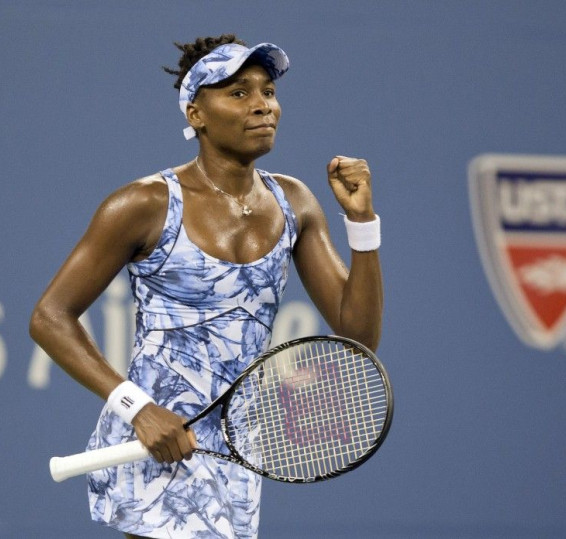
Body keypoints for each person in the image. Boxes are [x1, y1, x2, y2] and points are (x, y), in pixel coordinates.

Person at [29, 33, 383, 539]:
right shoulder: (143, 204)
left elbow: (358, 339)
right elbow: (49, 317)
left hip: (239, 446)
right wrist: (137, 408)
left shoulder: (295, 202)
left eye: (268, 91)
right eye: (239, 93)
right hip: (156, 436)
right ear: (196, 114)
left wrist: (362, 224)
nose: (263, 105)